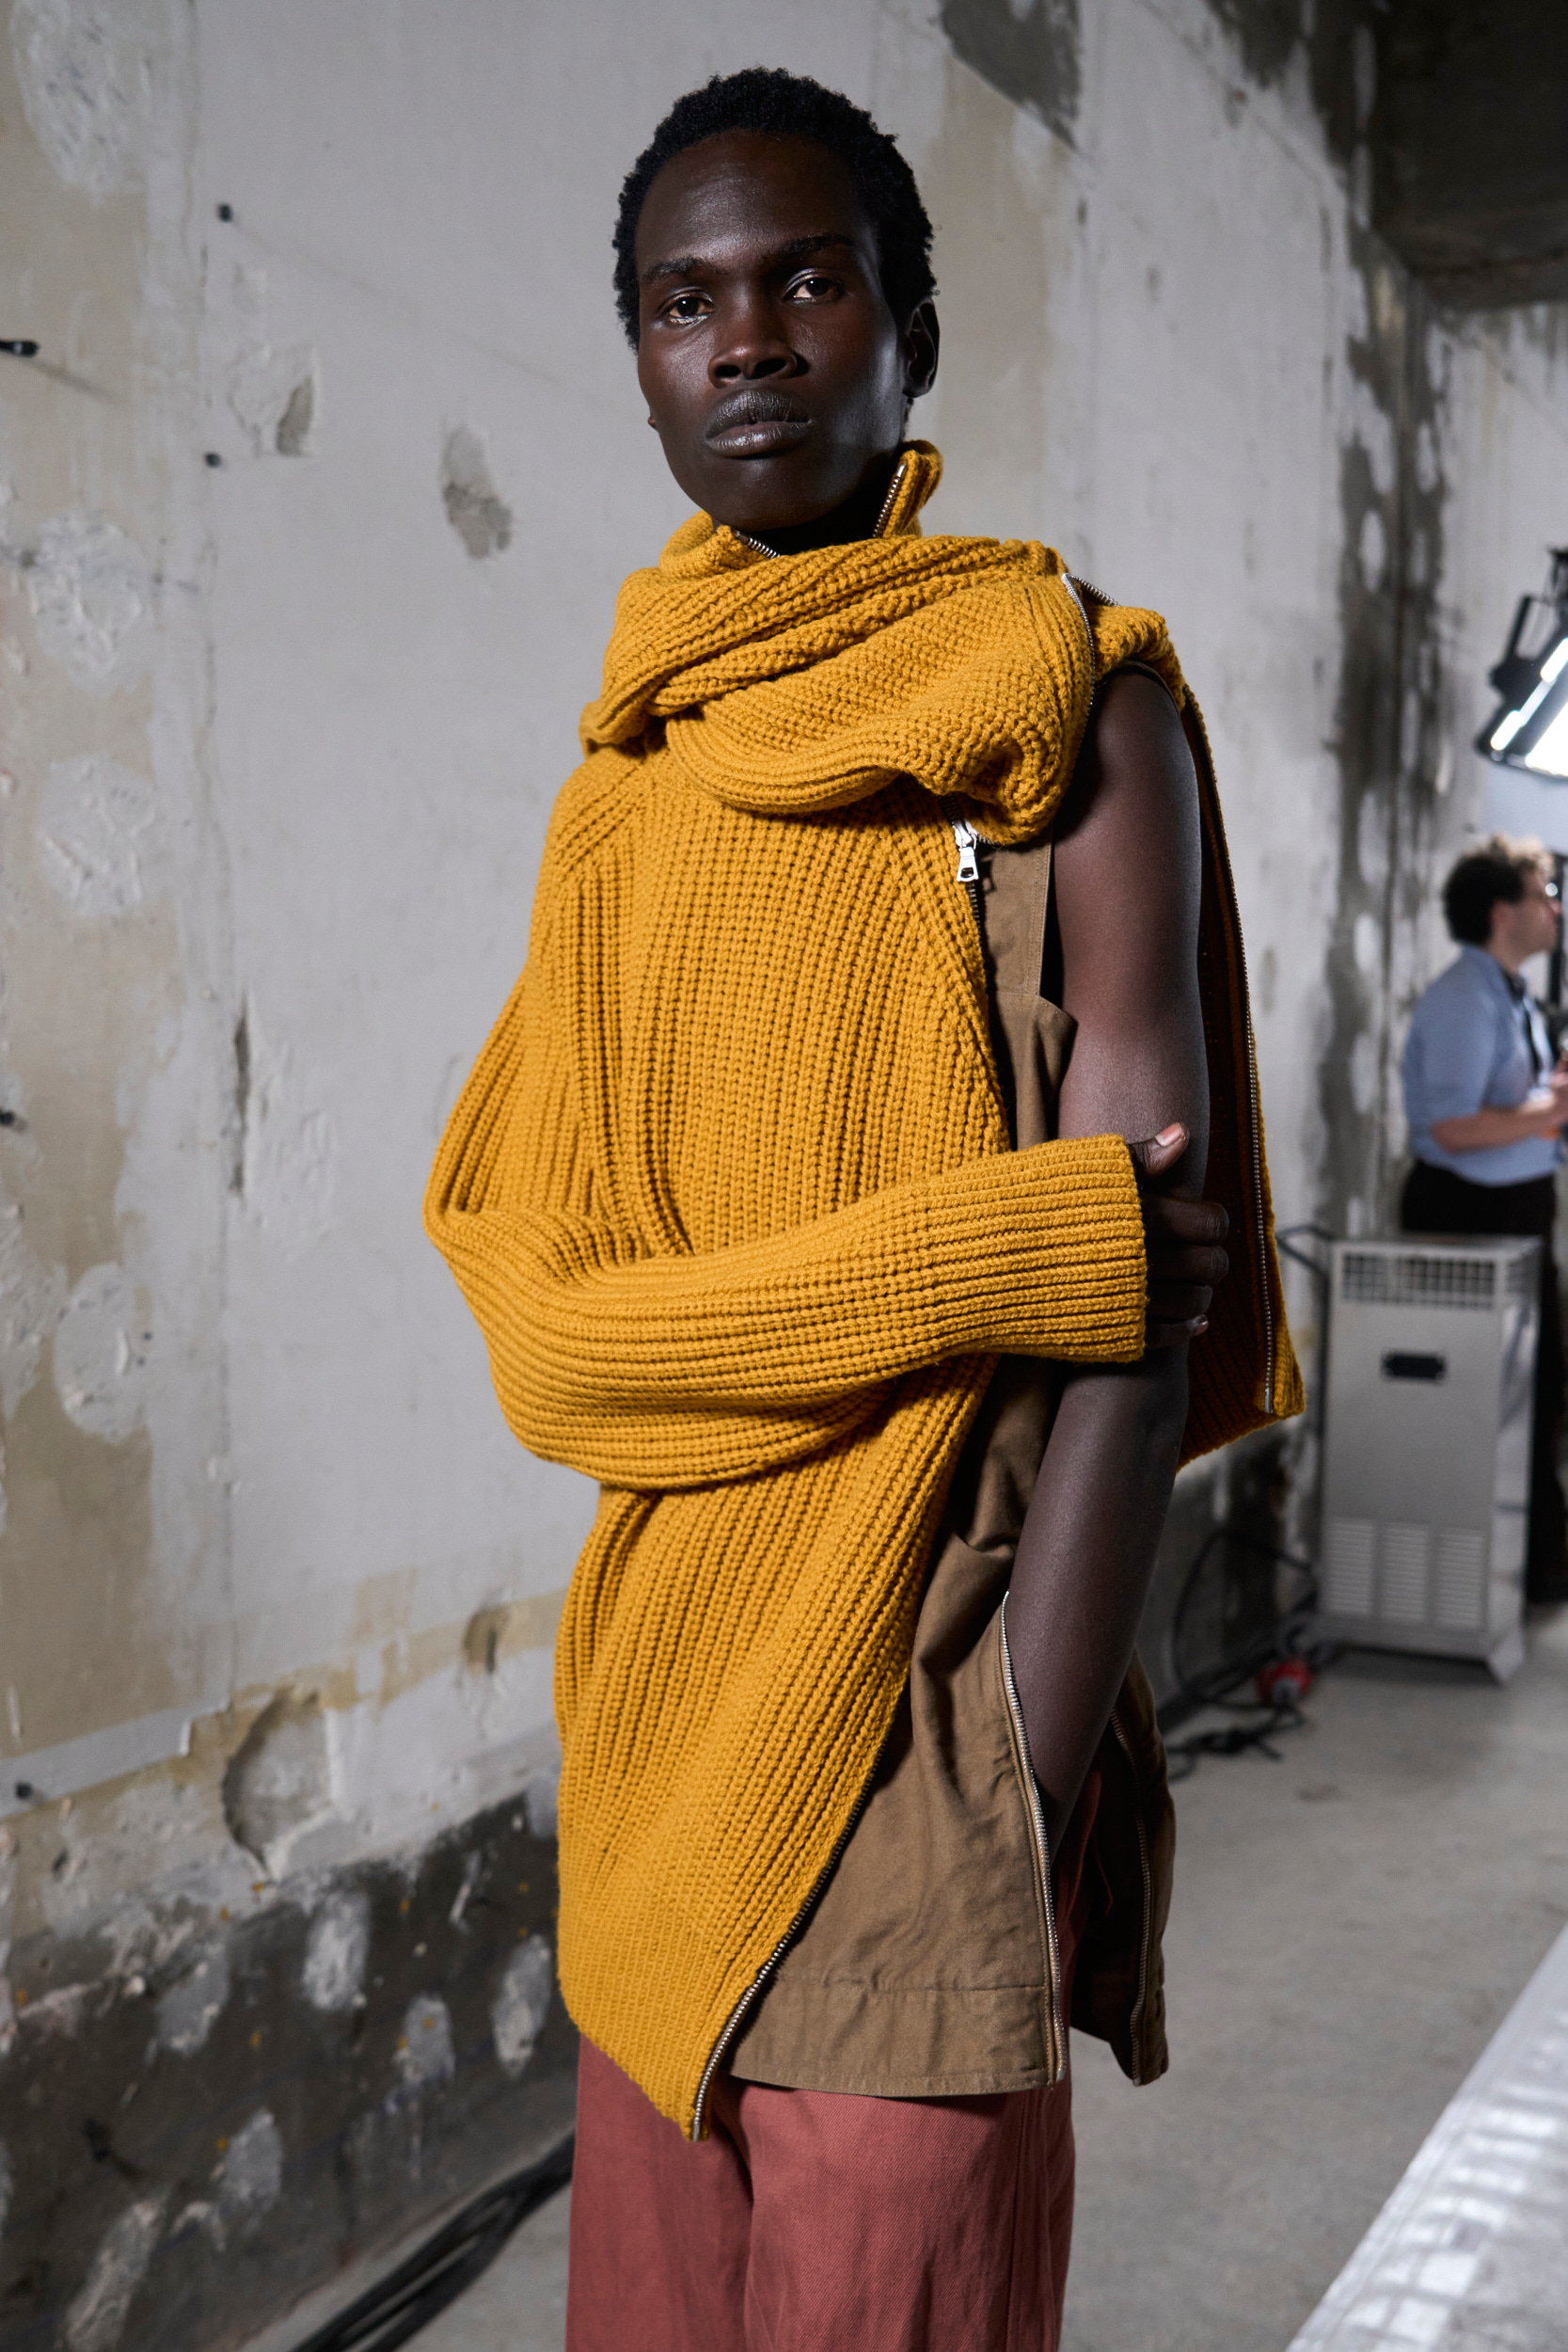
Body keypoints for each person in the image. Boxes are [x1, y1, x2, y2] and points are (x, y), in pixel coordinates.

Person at [426, 67, 1300, 2350]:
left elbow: (1140, 1316)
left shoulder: (1071, 705)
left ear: (907, 321)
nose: (744, 343)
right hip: (662, 1727)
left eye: (805, 278)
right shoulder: (620, 796)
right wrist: (1008, 1244)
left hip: (933, 1704)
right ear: (636, 355)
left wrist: (1021, 1751)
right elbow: (557, 1349)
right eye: (679, 301)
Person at [1402, 835, 1568, 1602]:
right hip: (1469, 1212)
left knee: (1531, 1389)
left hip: (1516, 1208)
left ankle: (1531, 1562)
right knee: (1480, 1396)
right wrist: (1552, 1110)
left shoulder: (1509, 992)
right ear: (1503, 912)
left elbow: (1521, 1105)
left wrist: (1547, 1102)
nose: (1554, 908)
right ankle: (1486, 1572)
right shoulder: (1464, 997)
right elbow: (1451, 1128)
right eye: (1542, 894)